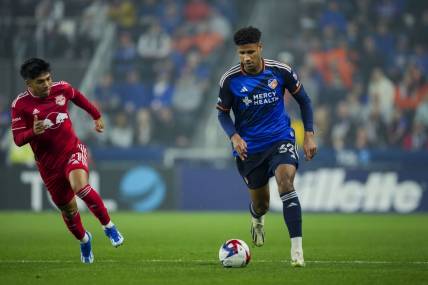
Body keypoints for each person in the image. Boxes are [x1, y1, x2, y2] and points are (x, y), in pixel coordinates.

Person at [216, 27, 317, 267]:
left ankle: (297, 251)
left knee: (286, 182)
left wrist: (310, 135)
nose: (246, 58)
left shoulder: (280, 71)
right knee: (261, 203)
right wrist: (234, 136)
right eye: (242, 53)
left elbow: (305, 100)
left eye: (250, 51)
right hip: (249, 149)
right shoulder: (230, 80)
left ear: (260, 48)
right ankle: (257, 218)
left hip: (279, 139)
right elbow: (222, 115)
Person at [11, 58, 124, 264]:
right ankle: (84, 240)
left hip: (72, 150)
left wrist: (96, 116)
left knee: (80, 187)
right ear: (29, 84)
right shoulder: (20, 105)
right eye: (40, 81)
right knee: (69, 210)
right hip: (48, 166)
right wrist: (32, 132)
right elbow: (18, 139)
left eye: (48, 79)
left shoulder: (61, 88)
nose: (46, 84)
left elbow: (78, 97)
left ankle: (109, 227)